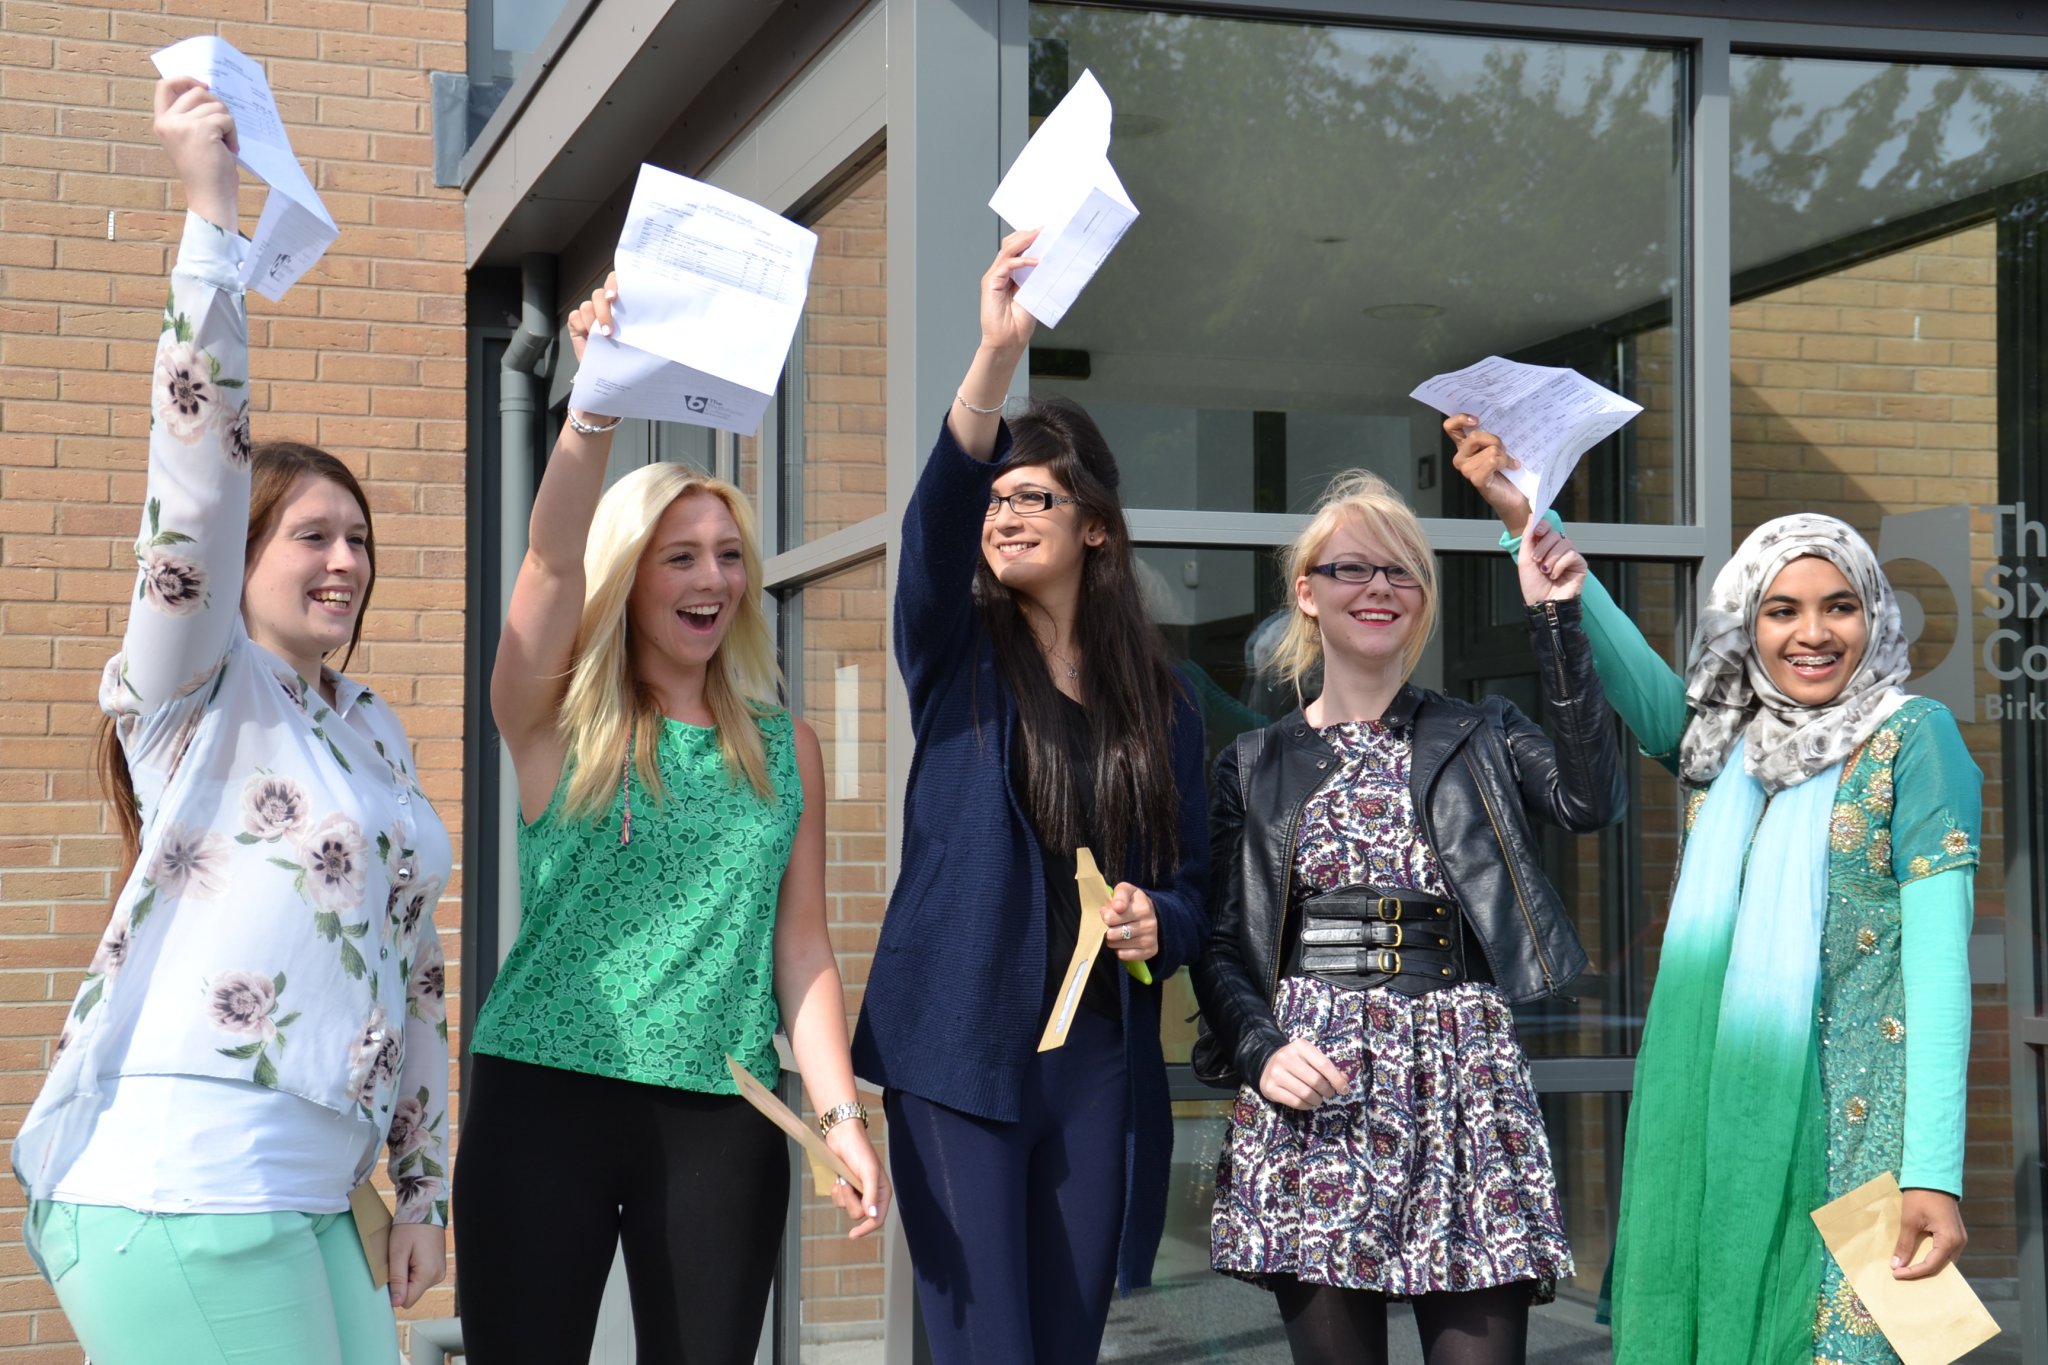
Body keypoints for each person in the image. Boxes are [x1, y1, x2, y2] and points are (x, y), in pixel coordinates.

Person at [13, 78, 451, 1364]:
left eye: (361, 539)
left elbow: (414, 967)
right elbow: (191, 490)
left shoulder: (369, 730)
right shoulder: (195, 690)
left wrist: (417, 1184)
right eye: (312, 535)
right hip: (182, 1184)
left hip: (323, 1198)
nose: (346, 562)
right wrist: (212, 222)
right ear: (240, 562)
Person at [1450, 417, 1978, 1364]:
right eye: (1781, 610)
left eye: (1839, 606)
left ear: (1874, 615)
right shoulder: (1722, 741)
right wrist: (1527, 517)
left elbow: (1941, 979)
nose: (1813, 633)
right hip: (1708, 1129)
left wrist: (1935, 1173)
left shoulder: (1915, 736)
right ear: (1745, 623)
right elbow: (1621, 661)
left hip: (1860, 1147)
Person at [452, 271, 888, 1363]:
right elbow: (549, 562)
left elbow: (802, 947)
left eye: (729, 555)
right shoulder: (554, 721)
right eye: (679, 555)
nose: (715, 578)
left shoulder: (782, 747)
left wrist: (839, 1118)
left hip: (723, 1112)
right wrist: (590, 411)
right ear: (630, 575)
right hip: (545, 1098)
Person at [848, 229, 1210, 1365]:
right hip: (955, 1042)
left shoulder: (1165, 701)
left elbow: (1194, 881)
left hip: (1092, 1054)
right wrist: (992, 361)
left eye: (1034, 499)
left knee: (1064, 1338)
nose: (1004, 516)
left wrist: (1163, 918)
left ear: (1093, 526)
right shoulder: (952, 652)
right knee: (982, 1345)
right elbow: (932, 530)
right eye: (996, 499)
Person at [1192, 468, 1625, 1365]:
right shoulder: (1253, 761)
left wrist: (1555, 621)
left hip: (1461, 1079)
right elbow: (1222, 941)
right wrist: (1261, 1050)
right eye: (1353, 569)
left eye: (1403, 572)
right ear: (1306, 594)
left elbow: (1590, 797)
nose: (1380, 588)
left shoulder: (1481, 732)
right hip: (1317, 1088)